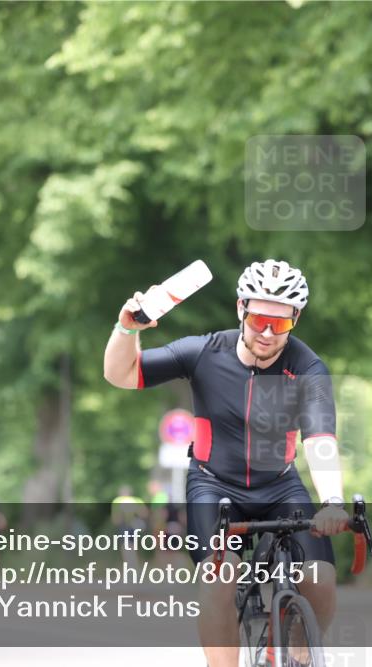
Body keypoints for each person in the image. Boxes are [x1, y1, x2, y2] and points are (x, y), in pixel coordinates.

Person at [103, 259, 348, 667]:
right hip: (213, 484)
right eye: (258, 320)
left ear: (296, 319)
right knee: (220, 578)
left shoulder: (308, 368)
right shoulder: (203, 351)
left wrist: (333, 501)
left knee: (320, 579)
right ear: (240, 309)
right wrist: (127, 329)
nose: (268, 333)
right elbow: (120, 374)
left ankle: (300, 652)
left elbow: (320, 440)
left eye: (281, 324)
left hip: (280, 485)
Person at [112, 485, 148, 567]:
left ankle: (132, 565)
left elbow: (144, 513)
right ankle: (132, 565)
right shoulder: (120, 501)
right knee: (128, 546)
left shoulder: (133, 500)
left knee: (128, 546)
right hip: (125, 525)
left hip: (131, 526)